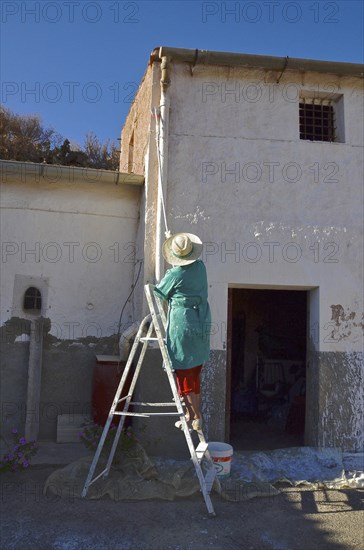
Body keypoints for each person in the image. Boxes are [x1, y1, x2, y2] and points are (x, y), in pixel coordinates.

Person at [153, 233, 211, 431]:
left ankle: (195, 416)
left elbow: (159, 291)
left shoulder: (175, 274)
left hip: (183, 325)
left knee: (184, 373)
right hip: (201, 321)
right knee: (194, 372)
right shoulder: (201, 267)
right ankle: (191, 414)